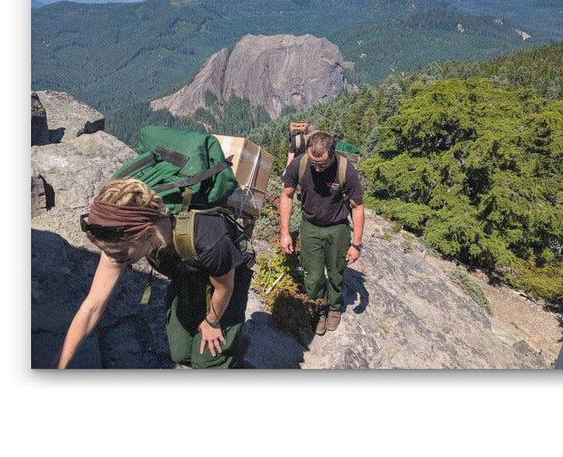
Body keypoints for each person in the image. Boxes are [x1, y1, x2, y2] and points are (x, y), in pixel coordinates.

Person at [56, 178, 253, 369]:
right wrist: (59, 367)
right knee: (181, 353)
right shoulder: (119, 240)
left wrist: (212, 321)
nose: (113, 259)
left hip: (226, 281)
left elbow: (224, 287)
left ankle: (231, 355)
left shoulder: (209, 238)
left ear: (148, 234)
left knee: (208, 362)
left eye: (120, 254)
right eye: (108, 252)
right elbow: (92, 306)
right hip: (186, 275)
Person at [280, 132, 364, 335]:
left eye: (322, 165)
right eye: (313, 163)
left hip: (338, 228)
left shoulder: (345, 170)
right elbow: (286, 195)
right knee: (313, 275)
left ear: (332, 155)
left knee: (336, 272)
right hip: (310, 226)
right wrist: (285, 232)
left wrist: (356, 244)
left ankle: (334, 308)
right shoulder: (300, 164)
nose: (316, 168)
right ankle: (318, 308)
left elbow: (357, 207)